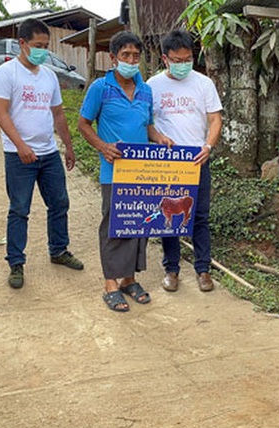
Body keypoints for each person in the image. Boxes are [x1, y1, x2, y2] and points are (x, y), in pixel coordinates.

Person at [78, 31, 173, 312]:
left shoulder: (146, 90)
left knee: (138, 223)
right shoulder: (100, 88)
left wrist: (161, 138)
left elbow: (149, 126)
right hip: (114, 171)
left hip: (141, 173)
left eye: (135, 56)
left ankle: (129, 279)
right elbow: (83, 124)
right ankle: (110, 282)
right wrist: (103, 147)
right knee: (113, 225)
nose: (131, 60)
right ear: (113, 58)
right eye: (125, 55)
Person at [0, 18, 84, 290]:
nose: (42, 50)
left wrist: (67, 145)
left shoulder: (49, 75)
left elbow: (57, 113)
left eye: (46, 46)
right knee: (19, 209)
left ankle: (59, 250)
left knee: (59, 203)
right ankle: (16, 262)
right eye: (37, 45)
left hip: (48, 153)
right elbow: (0, 112)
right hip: (19, 155)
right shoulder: (6, 73)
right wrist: (21, 146)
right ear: (22, 43)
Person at [147, 30, 223, 293]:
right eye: (177, 60)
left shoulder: (204, 84)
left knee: (199, 216)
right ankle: (171, 269)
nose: (183, 64)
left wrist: (208, 146)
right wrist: (157, 136)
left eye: (187, 58)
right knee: (169, 216)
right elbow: (146, 123)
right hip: (168, 162)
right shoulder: (152, 85)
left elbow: (215, 119)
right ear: (165, 59)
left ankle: (203, 270)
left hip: (197, 160)